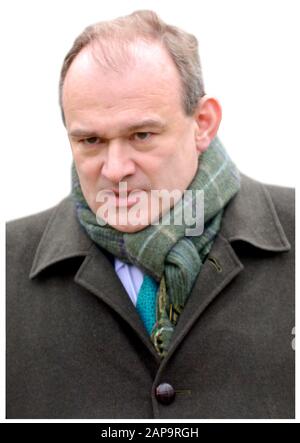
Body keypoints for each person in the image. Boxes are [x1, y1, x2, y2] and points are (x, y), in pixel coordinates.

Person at [6, 10, 294, 419]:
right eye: (90, 140)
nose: (115, 168)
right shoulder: (8, 263)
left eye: (141, 135)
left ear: (204, 124)